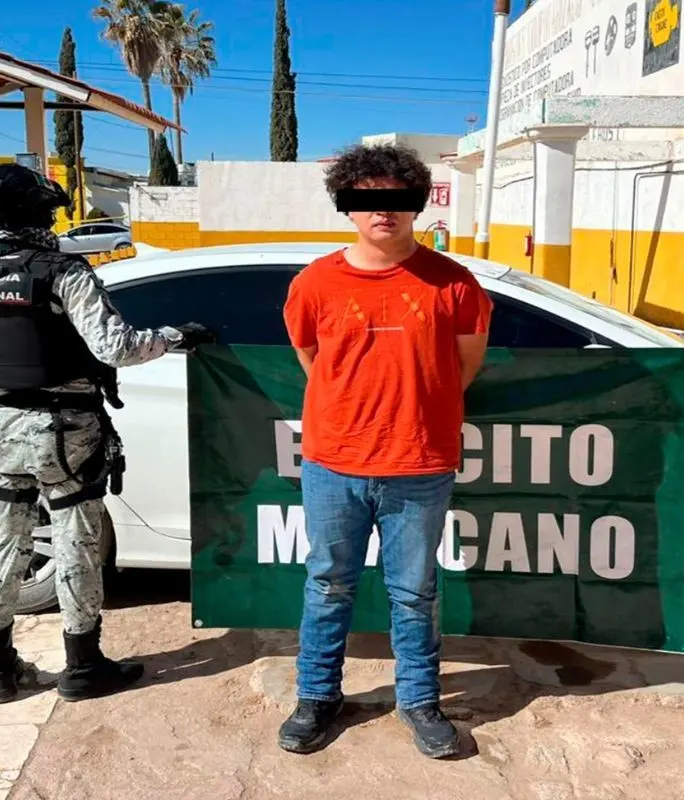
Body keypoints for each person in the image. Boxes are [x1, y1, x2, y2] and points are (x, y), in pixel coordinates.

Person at [0, 163, 215, 705]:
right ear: (35, 213)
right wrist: (176, 335)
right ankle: (83, 667)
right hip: (66, 433)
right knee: (76, 540)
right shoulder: (61, 272)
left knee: (2, 543)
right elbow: (116, 347)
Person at [278, 143, 493, 758]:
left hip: (420, 466)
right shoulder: (314, 284)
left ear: (416, 205)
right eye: (368, 199)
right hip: (332, 464)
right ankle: (317, 697)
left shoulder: (454, 283)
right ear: (348, 206)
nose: (384, 212)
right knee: (327, 584)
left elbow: (463, 366)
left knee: (415, 591)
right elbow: (312, 361)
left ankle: (420, 701)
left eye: (396, 199)